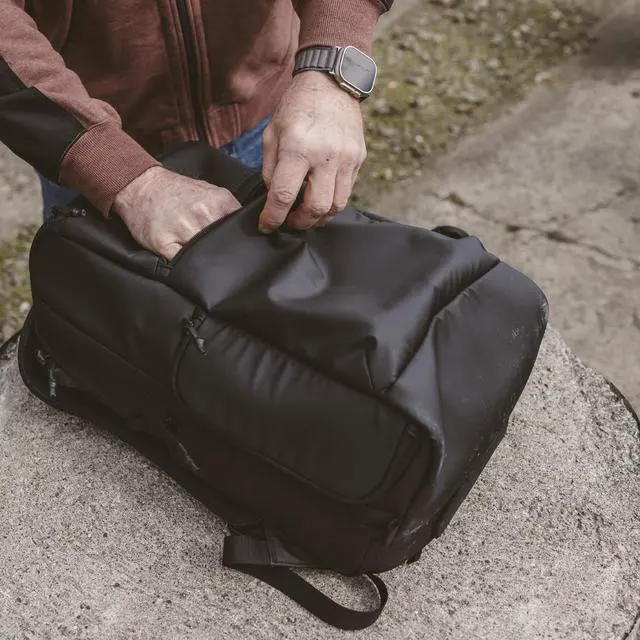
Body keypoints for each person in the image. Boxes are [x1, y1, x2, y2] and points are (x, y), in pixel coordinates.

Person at [0, 1, 392, 260]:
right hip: (90, 138)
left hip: (267, 121)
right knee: (109, 331)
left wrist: (332, 61)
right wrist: (117, 171)